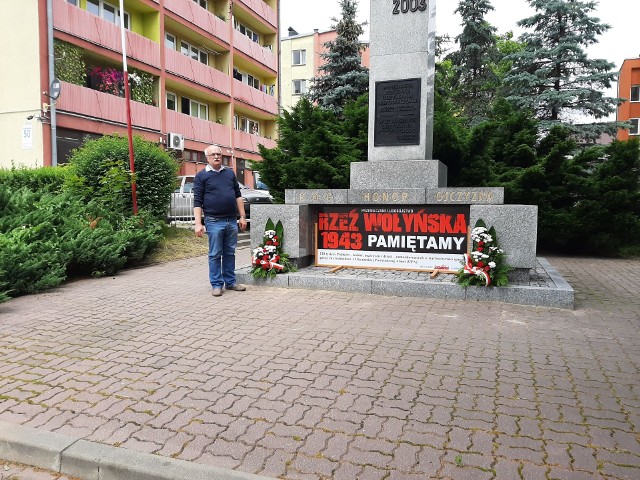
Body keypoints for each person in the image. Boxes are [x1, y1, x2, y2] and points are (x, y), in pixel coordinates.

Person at [193, 145, 247, 297]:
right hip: (213, 220)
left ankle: (230, 282)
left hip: (231, 220)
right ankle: (216, 284)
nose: (216, 157)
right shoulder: (202, 176)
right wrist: (198, 224)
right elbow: (197, 202)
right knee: (215, 254)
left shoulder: (229, 173)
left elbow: (238, 195)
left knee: (230, 252)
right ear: (207, 157)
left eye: (219, 154)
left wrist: (242, 216)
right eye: (213, 154)